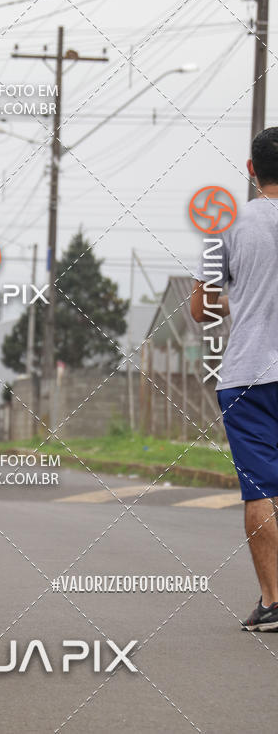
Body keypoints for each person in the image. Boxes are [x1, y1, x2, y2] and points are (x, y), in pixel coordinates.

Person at [191, 126, 278, 631]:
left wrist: (237, 301)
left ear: (251, 170)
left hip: (249, 375)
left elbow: (200, 309)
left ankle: (273, 601)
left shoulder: (225, 224)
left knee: (261, 488)